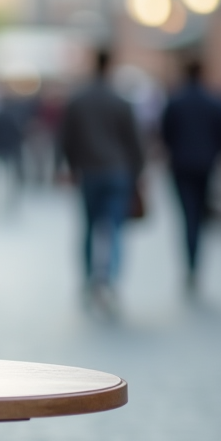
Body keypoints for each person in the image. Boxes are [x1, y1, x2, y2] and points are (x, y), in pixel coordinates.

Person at [59, 50, 145, 311]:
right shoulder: (121, 101)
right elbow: (134, 142)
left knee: (88, 228)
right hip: (118, 172)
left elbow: (67, 138)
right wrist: (137, 174)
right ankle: (108, 280)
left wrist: (71, 167)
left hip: (89, 172)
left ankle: (88, 279)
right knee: (115, 230)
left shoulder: (78, 100)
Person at [159, 59, 221, 292]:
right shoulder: (213, 102)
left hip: (181, 166)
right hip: (205, 166)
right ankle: (194, 263)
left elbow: (165, 133)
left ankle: (191, 264)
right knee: (199, 216)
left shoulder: (176, 101)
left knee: (188, 216)